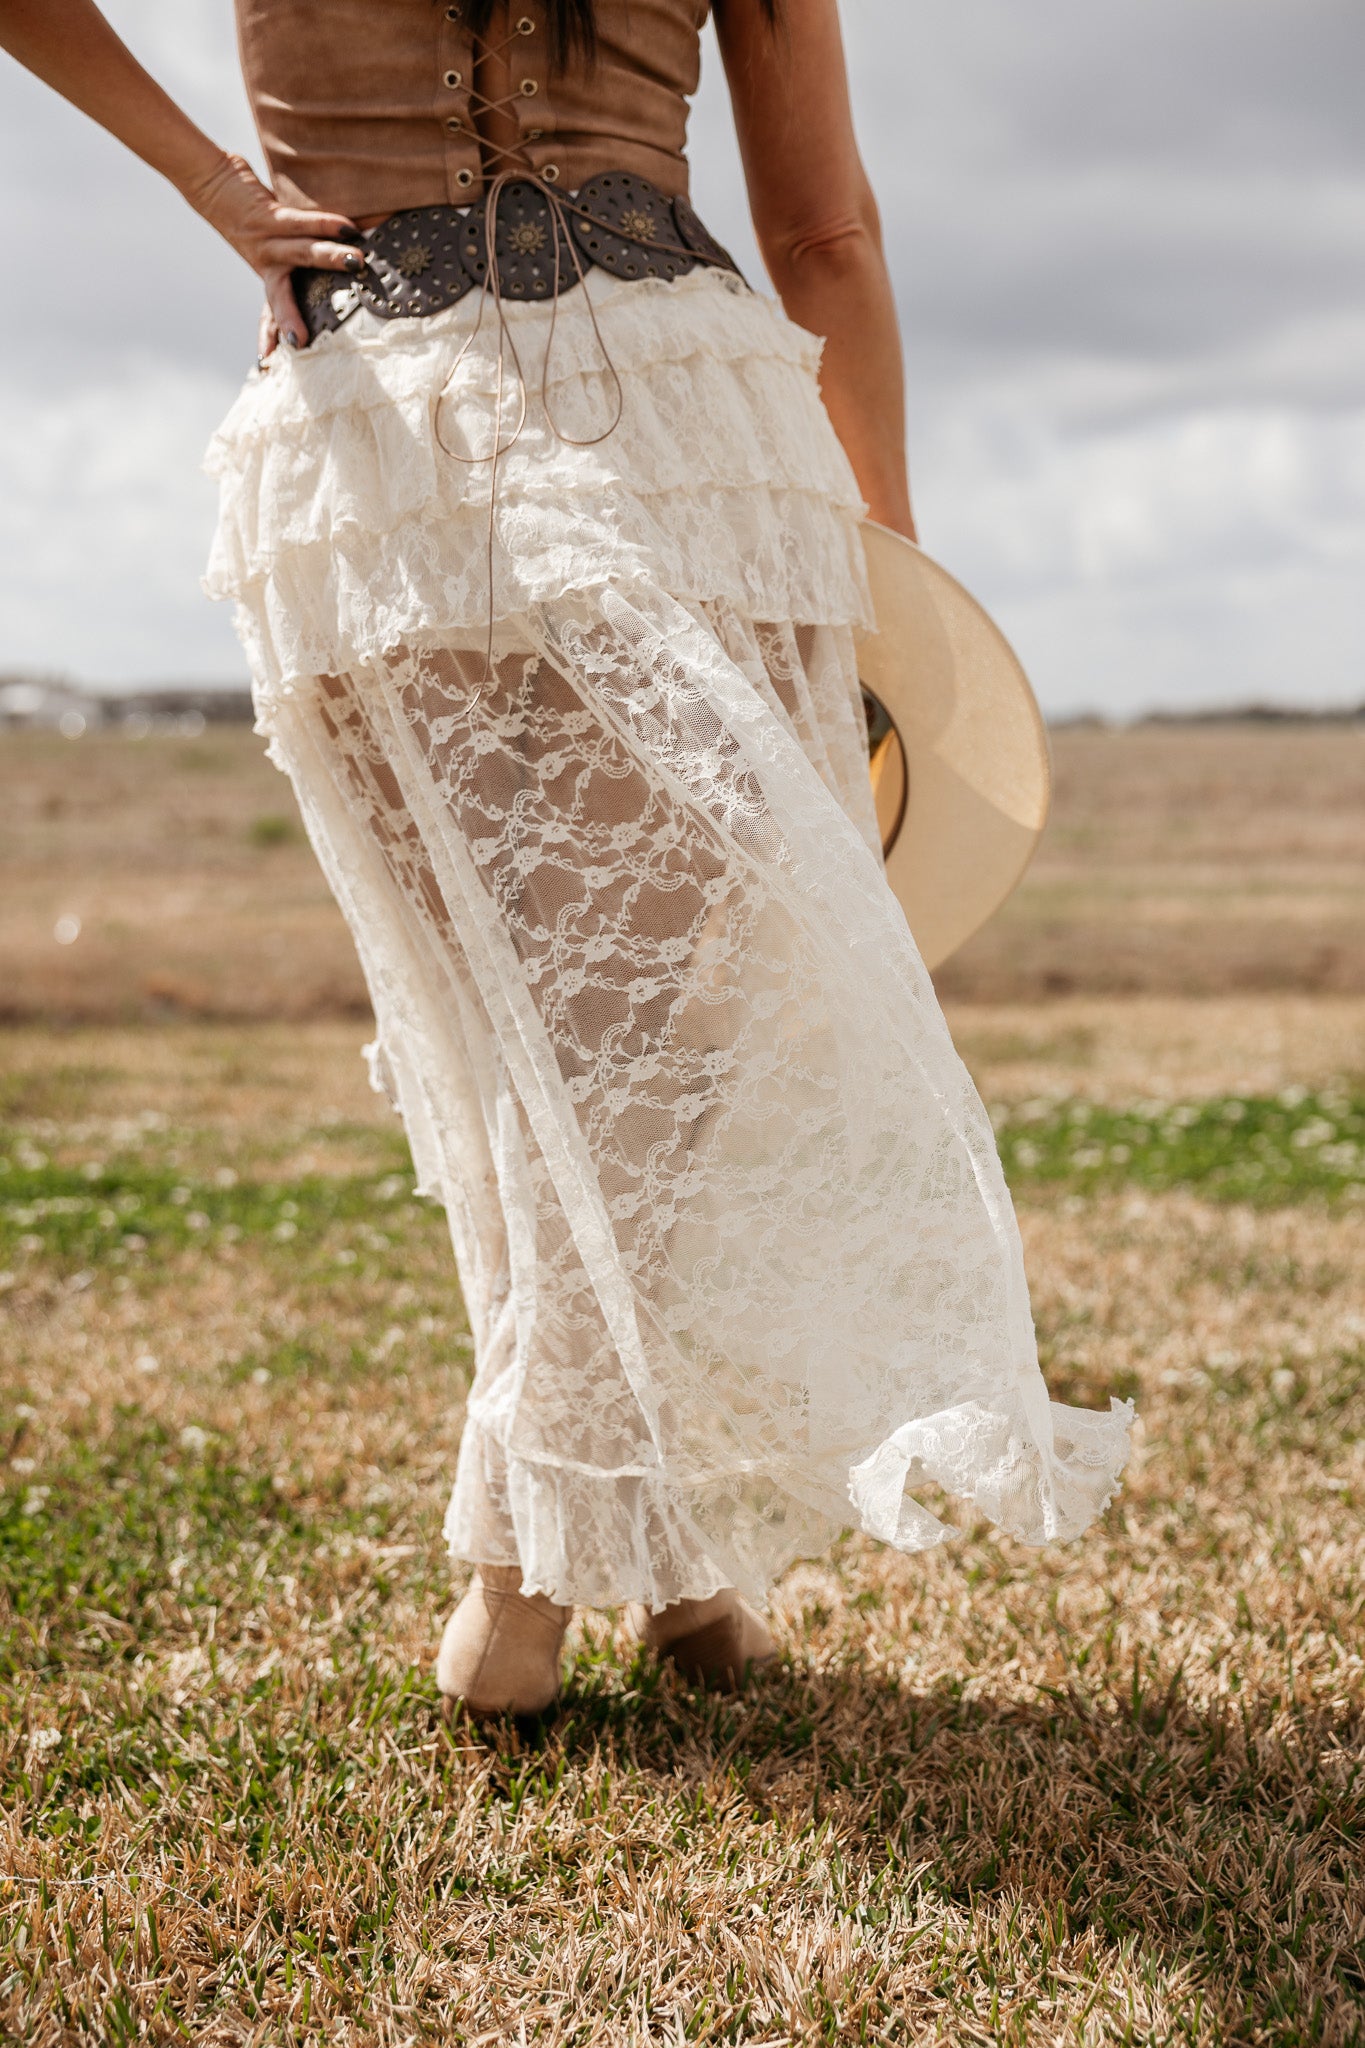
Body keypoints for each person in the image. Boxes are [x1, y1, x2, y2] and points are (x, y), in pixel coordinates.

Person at [2, 0, 1132, 1718]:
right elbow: (824, 234)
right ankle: (521, 1577)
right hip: (684, 431)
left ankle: (648, 1561)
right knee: (630, 1047)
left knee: (544, 1043)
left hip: (370, 433)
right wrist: (888, 567)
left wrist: (216, 188)